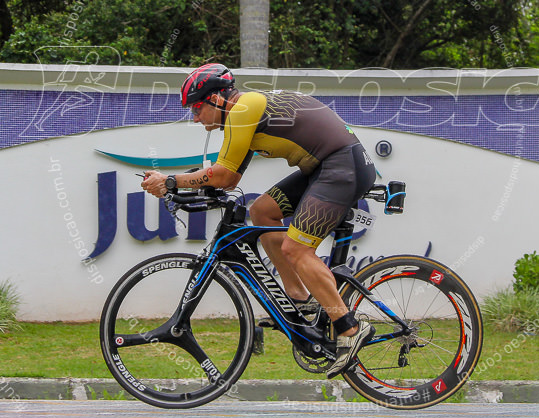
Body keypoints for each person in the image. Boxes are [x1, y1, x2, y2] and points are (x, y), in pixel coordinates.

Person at [142, 63, 376, 378]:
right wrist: (186, 188)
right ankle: (299, 298)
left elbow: (222, 176)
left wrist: (170, 181)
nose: (194, 117)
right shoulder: (241, 115)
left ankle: (349, 328)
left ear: (216, 99)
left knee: (297, 249)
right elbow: (231, 177)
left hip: (341, 166)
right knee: (262, 211)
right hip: (325, 167)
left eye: (197, 108)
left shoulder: (243, 110)